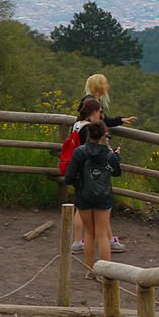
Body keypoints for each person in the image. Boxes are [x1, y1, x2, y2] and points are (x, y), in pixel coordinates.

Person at [78, 74, 135, 254]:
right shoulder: (93, 104)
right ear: (98, 86)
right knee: (99, 200)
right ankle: (105, 240)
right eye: (105, 83)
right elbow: (99, 126)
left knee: (83, 202)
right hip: (95, 157)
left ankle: (80, 241)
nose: (108, 86)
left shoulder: (89, 103)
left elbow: (104, 121)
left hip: (86, 157)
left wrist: (120, 120)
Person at [64, 119, 122, 277]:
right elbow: (117, 172)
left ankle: (90, 271)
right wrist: (116, 157)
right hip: (103, 196)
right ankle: (107, 274)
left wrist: (79, 184)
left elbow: (68, 178)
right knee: (102, 234)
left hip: (84, 195)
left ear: (88, 134)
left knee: (89, 233)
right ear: (104, 135)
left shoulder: (80, 152)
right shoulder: (108, 154)